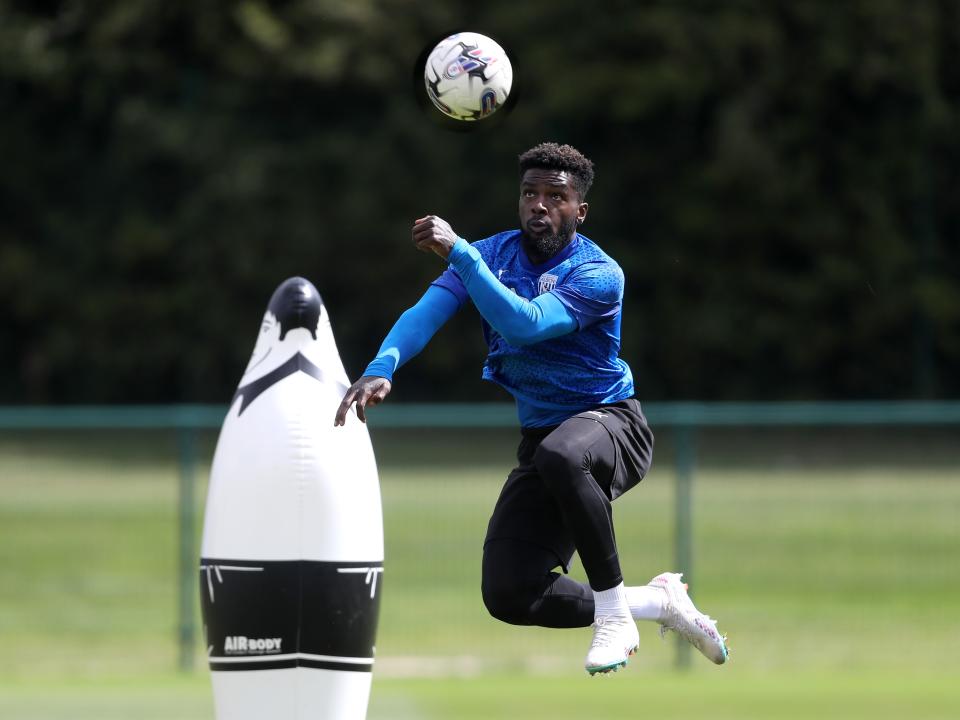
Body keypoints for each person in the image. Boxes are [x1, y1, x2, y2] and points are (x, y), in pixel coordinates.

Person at [334, 142, 728, 674]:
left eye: (554, 196)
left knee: (565, 456)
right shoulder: (494, 255)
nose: (539, 205)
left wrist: (461, 253)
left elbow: (526, 324)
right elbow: (426, 311)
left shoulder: (598, 273)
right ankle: (658, 604)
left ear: (579, 210)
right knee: (510, 592)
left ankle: (614, 615)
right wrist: (383, 366)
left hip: (612, 426)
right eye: (529, 194)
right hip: (545, 443)